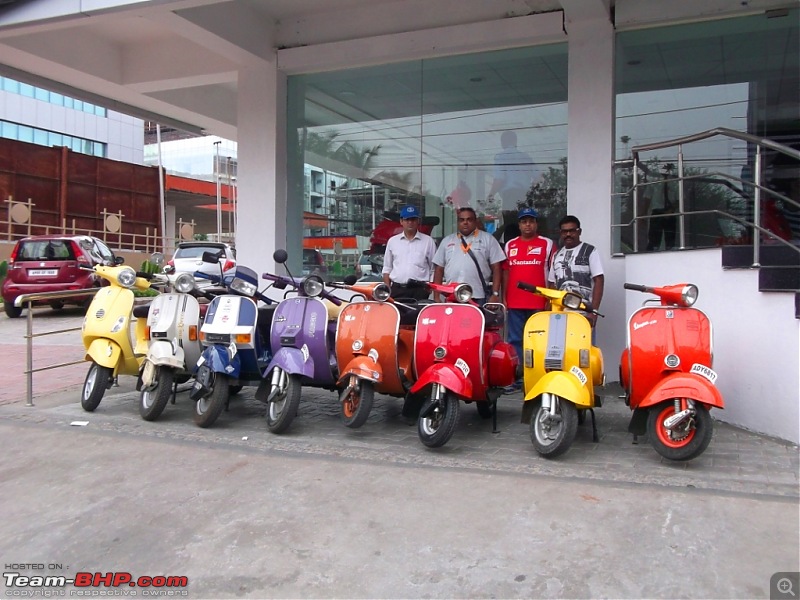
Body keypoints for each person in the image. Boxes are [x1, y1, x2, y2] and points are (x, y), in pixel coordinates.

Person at [502, 207, 554, 391]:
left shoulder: (547, 244)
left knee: (539, 342)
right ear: (519, 224)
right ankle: (516, 379)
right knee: (515, 340)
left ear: (536, 223)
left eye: (531, 221)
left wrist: (549, 297)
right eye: (524, 221)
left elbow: (552, 273)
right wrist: (504, 296)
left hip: (538, 302)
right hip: (515, 302)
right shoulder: (510, 245)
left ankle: (538, 379)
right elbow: (506, 273)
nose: (528, 224)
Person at [432, 206, 505, 305]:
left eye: (469, 219)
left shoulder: (488, 239)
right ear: (457, 222)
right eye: (461, 220)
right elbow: (439, 269)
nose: (465, 222)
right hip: (452, 296)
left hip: (478, 296)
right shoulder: (447, 241)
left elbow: (497, 268)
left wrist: (495, 294)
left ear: (475, 221)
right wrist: (436, 296)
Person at [548, 215, 604, 334]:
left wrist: (593, 312)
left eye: (572, 230)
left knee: (584, 350)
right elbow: (552, 283)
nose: (568, 234)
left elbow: (599, 280)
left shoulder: (590, 251)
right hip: (560, 315)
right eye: (564, 231)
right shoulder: (556, 255)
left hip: (583, 314)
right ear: (560, 233)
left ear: (579, 231)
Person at [382, 205, 436, 300]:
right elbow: (387, 268)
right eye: (407, 220)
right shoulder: (393, 241)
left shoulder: (428, 241)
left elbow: (433, 269)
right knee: (398, 315)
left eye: (413, 219)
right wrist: (387, 289)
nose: (410, 222)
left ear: (418, 221)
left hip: (419, 290)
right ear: (401, 221)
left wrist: (430, 287)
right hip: (397, 290)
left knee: (420, 315)